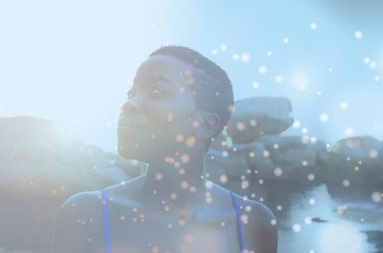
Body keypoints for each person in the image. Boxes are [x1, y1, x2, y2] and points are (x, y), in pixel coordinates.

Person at [52, 46, 277, 253]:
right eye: (132, 92)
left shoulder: (252, 223)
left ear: (205, 125)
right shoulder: (85, 214)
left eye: (157, 91)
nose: (129, 104)